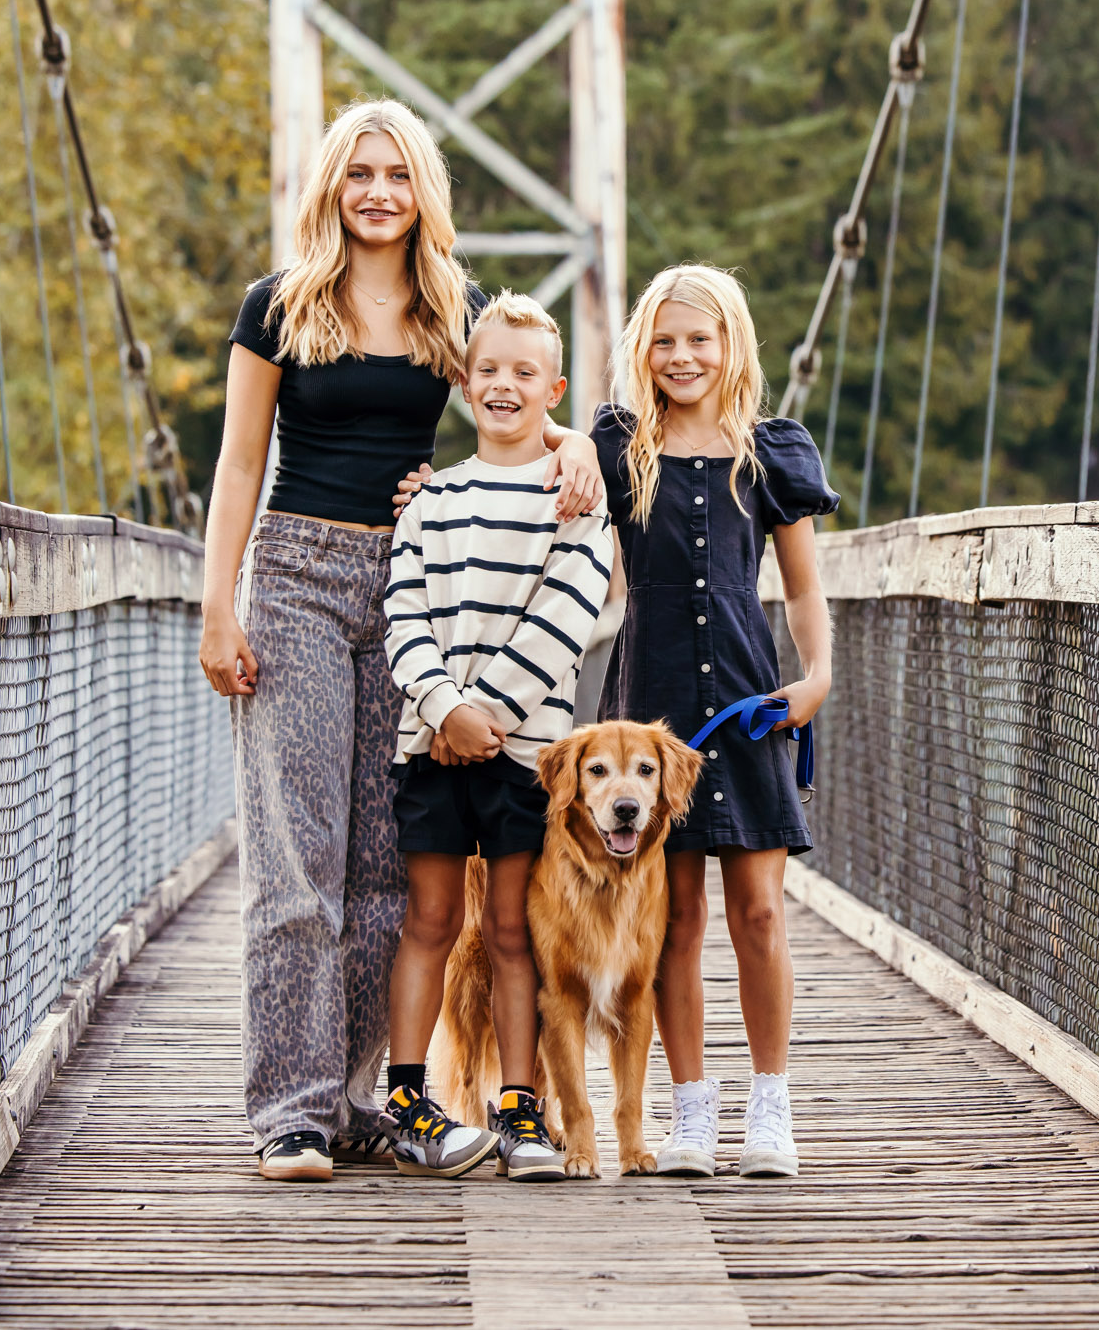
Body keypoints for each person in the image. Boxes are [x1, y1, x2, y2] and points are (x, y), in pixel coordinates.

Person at [197, 98, 602, 1184]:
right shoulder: (277, 304)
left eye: (398, 173)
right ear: (331, 185)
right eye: (358, 172)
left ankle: (352, 1095)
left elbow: (517, 389)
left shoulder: (451, 304)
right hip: (294, 577)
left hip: (418, 587)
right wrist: (217, 599)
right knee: (299, 857)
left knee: (391, 864)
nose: (377, 191)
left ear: (423, 188)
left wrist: (576, 449)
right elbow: (238, 463)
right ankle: (289, 1110)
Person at [593, 264, 836, 1179]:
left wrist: (817, 677)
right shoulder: (618, 446)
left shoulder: (771, 452)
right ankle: (690, 1111)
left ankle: (769, 1104)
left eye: (700, 339)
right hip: (650, 724)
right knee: (675, 921)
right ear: (641, 351)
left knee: (761, 912)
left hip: (749, 702)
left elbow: (804, 588)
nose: (683, 356)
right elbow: (539, 482)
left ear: (731, 344)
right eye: (665, 340)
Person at [377, 293, 614, 1180]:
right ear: (463, 383)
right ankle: (408, 1094)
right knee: (431, 917)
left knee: (515, 930)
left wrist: (488, 715)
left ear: (553, 388)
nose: (504, 386)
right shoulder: (429, 500)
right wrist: (443, 706)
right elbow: (403, 608)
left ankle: (520, 1109)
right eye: (488, 371)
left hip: (523, 757)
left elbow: (568, 614)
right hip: (432, 745)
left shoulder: (576, 500)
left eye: (524, 373)